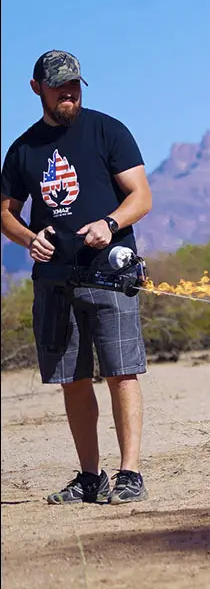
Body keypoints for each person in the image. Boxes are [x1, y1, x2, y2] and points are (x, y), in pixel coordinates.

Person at [0, 50, 154, 505]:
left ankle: (130, 473)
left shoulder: (108, 130)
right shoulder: (24, 149)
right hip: (54, 280)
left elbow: (141, 197)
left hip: (109, 274)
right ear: (37, 89)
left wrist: (108, 223)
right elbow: (5, 214)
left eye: (74, 85)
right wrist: (29, 239)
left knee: (122, 373)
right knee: (73, 378)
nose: (69, 93)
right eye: (58, 86)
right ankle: (91, 477)